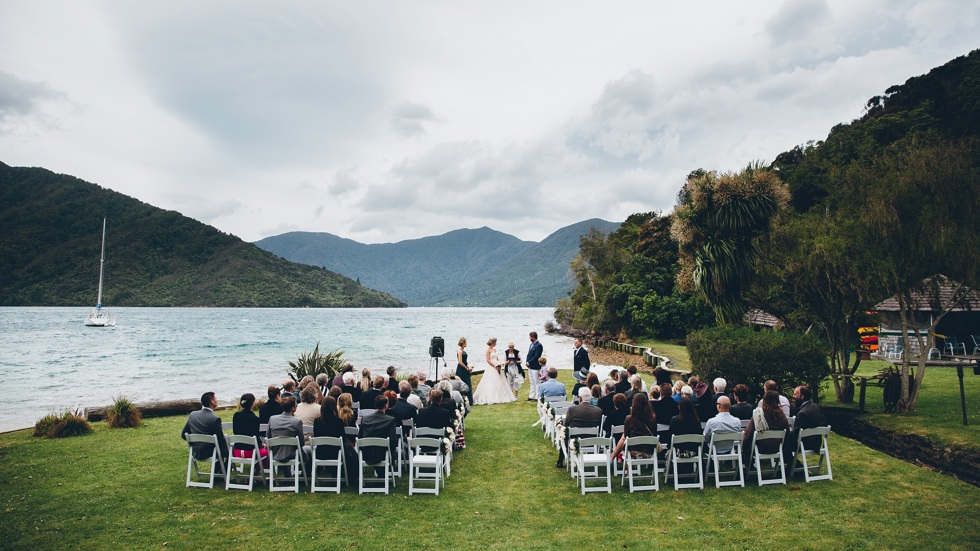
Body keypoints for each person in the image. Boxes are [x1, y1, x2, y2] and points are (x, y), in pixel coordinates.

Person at [313, 396, 356, 486]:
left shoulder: (317, 422)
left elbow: (316, 436)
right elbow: (343, 438)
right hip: (336, 453)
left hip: (321, 452)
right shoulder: (338, 422)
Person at [556, 387, 603, 468]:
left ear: (580, 398)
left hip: (576, 440)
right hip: (592, 439)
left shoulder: (572, 410)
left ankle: (560, 460)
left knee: (565, 434)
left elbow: (566, 425)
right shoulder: (598, 411)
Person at [742, 390, 790, 466]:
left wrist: (743, 445)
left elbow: (749, 433)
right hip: (777, 447)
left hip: (760, 447)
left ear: (764, 401)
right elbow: (787, 433)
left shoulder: (759, 415)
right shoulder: (782, 416)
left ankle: (747, 464)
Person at [181, 391, 228, 466]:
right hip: (209, 452)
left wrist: (195, 442)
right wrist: (228, 453)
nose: (217, 400)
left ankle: (219, 473)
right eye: (216, 398)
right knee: (226, 450)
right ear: (212, 402)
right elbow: (220, 440)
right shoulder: (214, 419)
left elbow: (184, 435)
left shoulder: (192, 415)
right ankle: (222, 474)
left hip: (195, 451)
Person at [610, 393, 661, 460]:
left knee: (623, 437)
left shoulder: (629, 419)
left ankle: (612, 457)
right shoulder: (652, 419)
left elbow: (625, 436)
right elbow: (654, 433)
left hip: (633, 451)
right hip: (649, 451)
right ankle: (612, 457)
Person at [266, 396, 310, 470]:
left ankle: (288, 473)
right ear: (293, 408)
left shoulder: (272, 419)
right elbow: (301, 443)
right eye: (296, 405)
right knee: (309, 450)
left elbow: (268, 437)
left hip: (275, 453)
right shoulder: (297, 422)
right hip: (292, 454)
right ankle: (305, 474)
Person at [358, 394, 398, 473]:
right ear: (386, 405)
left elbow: (360, 437)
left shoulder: (365, 419)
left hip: (367, 453)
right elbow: (393, 440)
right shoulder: (390, 420)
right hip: (383, 454)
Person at [473, 337, 518, 405]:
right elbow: (488, 360)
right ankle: (491, 397)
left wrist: (499, 364)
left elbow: (497, 358)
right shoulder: (488, 350)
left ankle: (501, 396)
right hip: (491, 367)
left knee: (500, 382)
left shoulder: (495, 350)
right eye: (495, 342)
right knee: (492, 381)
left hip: (497, 365)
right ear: (493, 342)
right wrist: (494, 366)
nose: (496, 343)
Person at [788, 385, 825, 455]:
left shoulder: (803, 413)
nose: (793, 396)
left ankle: (793, 463)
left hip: (805, 444)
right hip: (816, 443)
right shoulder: (815, 407)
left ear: (802, 396)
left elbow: (796, 433)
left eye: (795, 394)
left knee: (785, 443)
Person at [232, 393, 268, 463]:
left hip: (237, 451)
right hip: (251, 452)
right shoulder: (255, 419)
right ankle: (259, 469)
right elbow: (257, 438)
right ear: (252, 403)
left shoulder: (236, 415)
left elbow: (235, 432)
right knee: (267, 452)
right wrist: (262, 445)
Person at [525, 331, 543, 401]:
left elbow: (537, 356)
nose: (529, 338)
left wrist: (529, 362)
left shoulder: (539, 345)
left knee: (537, 381)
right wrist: (527, 362)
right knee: (532, 381)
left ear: (533, 337)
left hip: (535, 366)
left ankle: (537, 396)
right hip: (530, 366)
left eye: (530, 337)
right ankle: (531, 396)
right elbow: (529, 354)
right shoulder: (531, 345)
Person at [456, 337, 474, 406]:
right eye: (465, 342)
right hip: (462, 369)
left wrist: (469, 367)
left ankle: (469, 400)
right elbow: (460, 362)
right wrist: (466, 368)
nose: (466, 344)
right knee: (463, 382)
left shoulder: (464, 351)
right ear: (463, 343)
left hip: (465, 367)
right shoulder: (460, 351)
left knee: (468, 382)